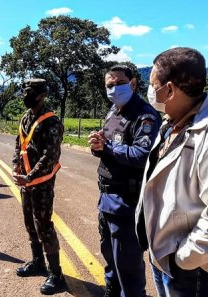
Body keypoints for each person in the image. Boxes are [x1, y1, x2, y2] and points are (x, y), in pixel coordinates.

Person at [135, 47, 208, 296]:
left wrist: (183, 259)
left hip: (195, 268)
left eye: (152, 83)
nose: (150, 91)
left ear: (169, 90)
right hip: (165, 255)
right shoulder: (172, 122)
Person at [88, 65, 161, 297]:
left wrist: (108, 147)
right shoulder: (113, 111)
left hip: (127, 201)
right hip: (106, 197)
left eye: (118, 82)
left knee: (127, 263)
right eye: (109, 85)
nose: (113, 88)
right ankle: (112, 291)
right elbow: (108, 148)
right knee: (109, 256)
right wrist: (99, 146)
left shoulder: (144, 115)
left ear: (132, 83)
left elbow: (142, 155)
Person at [12, 78, 65, 295]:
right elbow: (19, 144)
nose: (26, 95)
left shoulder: (51, 122)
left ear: (42, 94)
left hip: (41, 184)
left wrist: (31, 176)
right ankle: (38, 262)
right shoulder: (26, 118)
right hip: (26, 182)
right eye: (24, 91)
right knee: (29, 224)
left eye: (30, 91)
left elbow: (50, 156)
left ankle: (56, 274)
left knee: (44, 226)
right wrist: (16, 166)